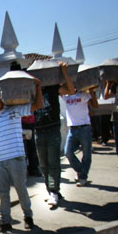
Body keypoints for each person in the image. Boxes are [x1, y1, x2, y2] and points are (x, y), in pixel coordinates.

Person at [0, 77, 44, 233]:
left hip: (16, 158)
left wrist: (38, 86)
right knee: (2, 193)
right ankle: (5, 221)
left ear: (1, 98)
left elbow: (37, 104)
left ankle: (28, 218)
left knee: (21, 189)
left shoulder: (14, 110)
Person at [33, 62, 76, 209]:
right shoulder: (33, 90)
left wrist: (64, 72)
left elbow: (71, 90)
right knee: (43, 165)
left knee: (53, 163)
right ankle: (51, 190)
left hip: (52, 129)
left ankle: (54, 191)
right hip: (38, 130)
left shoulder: (53, 87)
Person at [63, 88, 99, 186]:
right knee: (68, 152)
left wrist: (91, 91)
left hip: (84, 127)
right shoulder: (65, 95)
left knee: (86, 154)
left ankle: (83, 177)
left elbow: (95, 106)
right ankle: (81, 171)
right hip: (72, 129)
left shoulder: (83, 95)